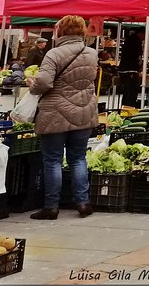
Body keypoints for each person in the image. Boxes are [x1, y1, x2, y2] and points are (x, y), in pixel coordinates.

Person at [25, 15, 98, 220]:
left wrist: (32, 83)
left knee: (53, 160)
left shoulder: (53, 54)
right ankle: (83, 203)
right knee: (78, 158)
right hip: (84, 110)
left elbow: (44, 83)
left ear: (61, 31)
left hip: (55, 111)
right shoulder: (91, 53)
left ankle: (51, 206)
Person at [118, 29, 143, 108]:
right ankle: (129, 109)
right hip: (130, 70)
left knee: (127, 91)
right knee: (131, 91)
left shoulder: (129, 39)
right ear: (140, 33)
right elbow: (136, 56)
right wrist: (139, 66)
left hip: (124, 69)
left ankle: (124, 109)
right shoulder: (136, 41)